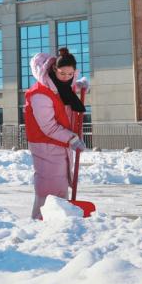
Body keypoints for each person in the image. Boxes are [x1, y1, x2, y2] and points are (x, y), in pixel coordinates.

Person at [25, 48, 89, 220]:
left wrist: (79, 86)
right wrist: (72, 139)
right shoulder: (40, 94)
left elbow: (65, 94)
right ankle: (41, 224)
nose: (66, 78)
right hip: (46, 145)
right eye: (63, 73)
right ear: (54, 69)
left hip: (60, 143)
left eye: (70, 74)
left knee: (60, 188)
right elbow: (48, 127)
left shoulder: (61, 86)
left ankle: (59, 225)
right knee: (50, 191)